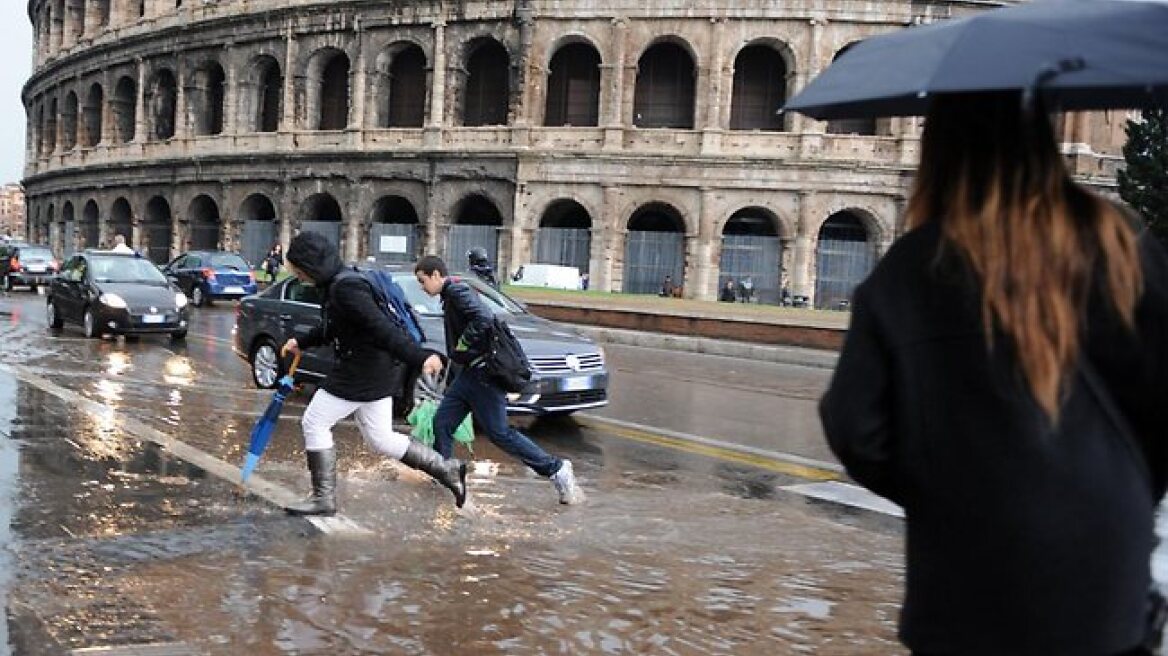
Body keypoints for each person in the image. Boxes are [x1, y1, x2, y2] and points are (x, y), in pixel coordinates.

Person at [819, 91, 1168, 656]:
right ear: (1041, 142)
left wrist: (947, 490)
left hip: (967, 578)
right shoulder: (1122, 244)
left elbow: (855, 425)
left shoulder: (914, 267)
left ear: (942, 153)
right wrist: (1126, 483)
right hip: (1104, 565)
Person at [280, 232, 468, 516]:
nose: (296, 273)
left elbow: (380, 328)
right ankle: (447, 469)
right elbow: (337, 327)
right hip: (379, 370)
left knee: (314, 422)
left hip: (362, 371)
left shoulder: (345, 289)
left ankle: (323, 499)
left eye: (297, 268)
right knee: (380, 437)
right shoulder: (342, 282)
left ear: (309, 265)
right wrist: (302, 341)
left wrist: (419, 356)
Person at [414, 255, 585, 505]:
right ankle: (445, 475)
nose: (422, 287)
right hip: (470, 375)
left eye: (423, 281)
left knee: (499, 433)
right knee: (443, 422)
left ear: (437, 275)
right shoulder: (452, 294)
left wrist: (463, 343)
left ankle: (557, 470)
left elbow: (483, 317)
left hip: (483, 374)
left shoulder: (457, 292)